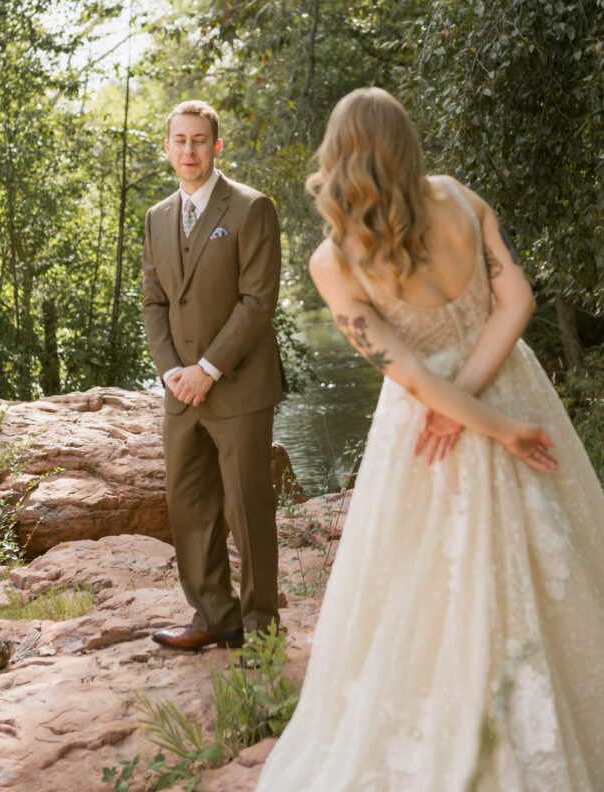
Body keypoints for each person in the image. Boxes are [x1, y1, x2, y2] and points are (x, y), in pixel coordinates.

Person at [257, 88, 604, 791]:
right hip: (507, 382)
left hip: (430, 426)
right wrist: (497, 411)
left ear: (337, 157)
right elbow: (518, 301)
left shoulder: (335, 259)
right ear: (406, 142)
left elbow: (412, 375)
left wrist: (473, 416)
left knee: (421, 579)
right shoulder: (456, 195)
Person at [142, 99, 285, 651]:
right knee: (188, 503)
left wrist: (208, 368)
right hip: (181, 391)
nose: (189, 150)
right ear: (167, 148)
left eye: (199, 140)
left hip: (239, 385)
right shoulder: (156, 217)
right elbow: (154, 303)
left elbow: (257, 302)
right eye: (179, 140)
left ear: (216, 146)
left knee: (247, 509)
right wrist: (174, 371)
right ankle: (214, 616)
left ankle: (260, 629)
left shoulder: (251, 208)